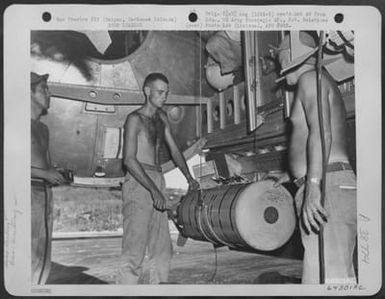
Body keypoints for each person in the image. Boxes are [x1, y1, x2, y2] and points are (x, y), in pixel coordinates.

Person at [275, 32, 357, 284]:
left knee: (328, 279)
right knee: (325, 277)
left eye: (280, 58)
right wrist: (292, 175)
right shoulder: (319, 80)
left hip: (326, 185)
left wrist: (312, 186)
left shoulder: (310, 79)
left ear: (291, 58)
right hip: (329, 180)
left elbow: (322, 133)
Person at [117, 72, 199, 284]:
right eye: (160, 92)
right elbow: (128, 160)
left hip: (157, 178)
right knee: (134, 252)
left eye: (166, 92)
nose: (165, 96)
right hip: (138, 181)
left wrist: (189, 177)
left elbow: (174, 149)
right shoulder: (134, 119)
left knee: (162, 250)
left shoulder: (161, 118)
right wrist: (153, 190)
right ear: (147, 91)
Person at [30, 72, 66, 284]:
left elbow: (46, 165)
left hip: (45, 195)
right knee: (29, 252)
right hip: (27, 194)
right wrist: (45, 173)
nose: (49, 93)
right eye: (43, 88)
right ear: (29, 92)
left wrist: (56, 172)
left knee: (43, 255)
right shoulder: (14, 125)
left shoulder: (43, 129)